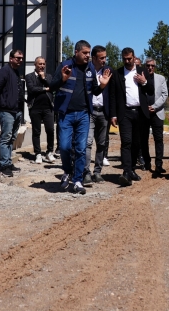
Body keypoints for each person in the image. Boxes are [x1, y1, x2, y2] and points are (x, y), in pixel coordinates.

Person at [50, 40, 111, 195]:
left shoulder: (90, 68)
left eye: (89, 53)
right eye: (84, 53)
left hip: (84, 114)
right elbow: (52, 87)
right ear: (76, 52)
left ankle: (77, 180)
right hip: (66, 114)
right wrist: (62, 79)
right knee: (64, 147)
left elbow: (95, 91)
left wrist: (102, 85)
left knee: (81, 149)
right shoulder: (65, 66)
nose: (87, 56)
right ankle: (67, 172)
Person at [109, 48, 153, 186]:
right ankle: (126, 171)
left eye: (129, 58)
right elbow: (113, 95)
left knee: (136, 143)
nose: (127, 61)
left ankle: (132, 169)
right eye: (124, 59)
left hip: (140, 113)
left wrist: (144, 82)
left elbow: (151, 91)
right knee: (126, 142)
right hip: (125, 113)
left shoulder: (142, 71)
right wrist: (113, 114)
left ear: (134, 57)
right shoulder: (117, 73)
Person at [0, 49, 25, 177]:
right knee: (6, 138)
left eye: (21, 58)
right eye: (18, 58)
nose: (20, 60)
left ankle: (8, 162)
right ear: (11, 58)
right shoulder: (4, 72)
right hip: (6, 111)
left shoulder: (15, 72)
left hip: (16, 111)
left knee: (11, 138)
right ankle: (3, 165)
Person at [87, 46, 112, 183]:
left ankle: (97, 172)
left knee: (102, 143)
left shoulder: (109, 72)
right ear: (94, 58)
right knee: (88, 142)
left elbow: (112, 94)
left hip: (104, 112)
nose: (104, 60)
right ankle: (86, 172)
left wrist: (113, 114)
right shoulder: (87, 71)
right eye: (101, 57)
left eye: (105, 57)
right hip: (90, 112)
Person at [25, 57, 55, 164]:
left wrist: (44, 79)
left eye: (43, 64)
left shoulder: (49, 76)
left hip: (48, 107)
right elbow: (31, 89)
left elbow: (52, 87)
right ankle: (38, 153)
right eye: (39, 64)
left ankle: (49, 152)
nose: (42, 66)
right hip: (35, 108)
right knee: (36, 131)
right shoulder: (29, 76)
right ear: (35, 65)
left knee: (50, 130)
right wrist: (45, 89)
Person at [143, 58, 168, 174]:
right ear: (145, 66)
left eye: (152, 66)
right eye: (148, 65)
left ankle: (159, 164)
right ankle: (146, 163)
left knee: (158, 140)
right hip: (144, 113)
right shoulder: (140, 77)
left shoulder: (161, 78)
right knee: (144, 140)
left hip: (157, 112)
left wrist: (154, 106)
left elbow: (164, 95)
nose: (150, 67)